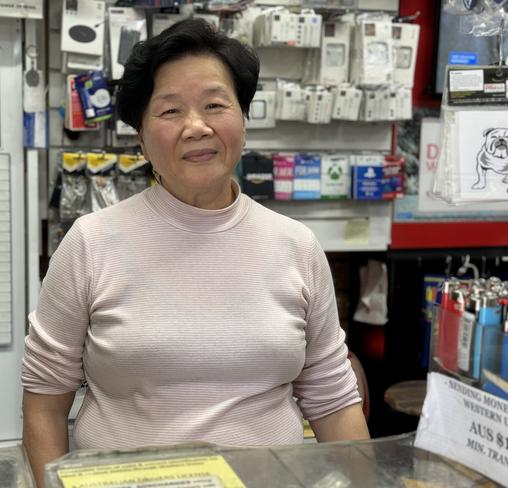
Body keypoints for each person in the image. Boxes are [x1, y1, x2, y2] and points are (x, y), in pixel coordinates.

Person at [21, 18, 369, 487]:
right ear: (141, 137)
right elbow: (44, 401)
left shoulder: (296, 246)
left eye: (215, 105)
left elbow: (332, 401)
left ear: (243, 120)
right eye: (169, 111)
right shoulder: (90, 242)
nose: (196, 126)